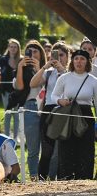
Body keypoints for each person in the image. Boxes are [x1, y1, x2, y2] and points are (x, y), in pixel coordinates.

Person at [51, 49, 97, 180]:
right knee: (66, 151)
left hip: (86, 117)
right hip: (68, 116)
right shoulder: (65, 77)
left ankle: (84, 180)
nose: (79, 62)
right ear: (72, 61)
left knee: (85, 151)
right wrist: (60, 101)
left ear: (87, 62)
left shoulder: (93, 80)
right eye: (76, 59)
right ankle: (65, 180)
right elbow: (53, 95)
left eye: (82, 59)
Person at [30, 41, 70, 179]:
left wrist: (62, 71)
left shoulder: (71, 73)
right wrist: (44, 67)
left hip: (65, 110)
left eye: (62, 55)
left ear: (67, 56)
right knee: (47, 149)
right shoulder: (48, 72)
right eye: (55, 55)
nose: (59, 58)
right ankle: (42, 177)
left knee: (64, 149)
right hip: (48, 110)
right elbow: (33, 83)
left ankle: (63, 177)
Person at [13, 40, 45, 180]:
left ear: (41, 54)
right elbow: (19, 87)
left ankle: (47, 176)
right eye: (29, 52)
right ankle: (33, 177)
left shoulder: (47, 68)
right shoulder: (22, 69)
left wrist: (40, 69)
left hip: (46, 108)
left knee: (48, 147)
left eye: (35, 52)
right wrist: (20, 67)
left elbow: (47, 84)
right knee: (32, 148)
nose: (32, 54)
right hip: (30, 107)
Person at [0, 39, 21, 141]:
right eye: (11, 47)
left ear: (18, 49)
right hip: (5, 92)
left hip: (18, 92)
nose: (13, 49)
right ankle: (7, 137)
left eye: (15, 47)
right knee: (8, 114)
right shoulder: (3, 59)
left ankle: (16, 138)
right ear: (8, 48)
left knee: (16, 115)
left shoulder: (21, 60)